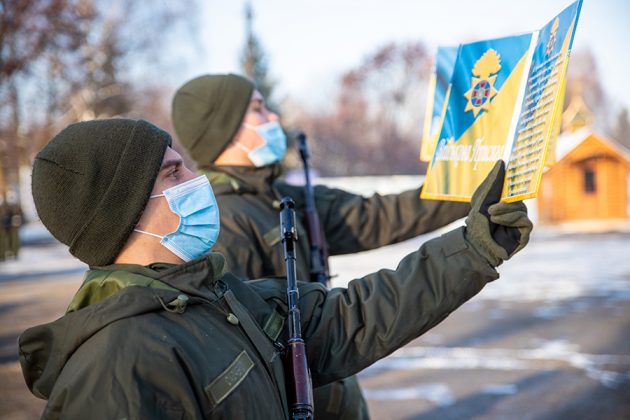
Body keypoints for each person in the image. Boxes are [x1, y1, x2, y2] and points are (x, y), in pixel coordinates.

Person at [19, 118, 531, 419]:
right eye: (175, 171)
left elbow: (351, 317)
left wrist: (473, 248)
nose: (197, 178)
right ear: (124, 208)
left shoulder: (220, 296)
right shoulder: (118, 364)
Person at [171, 74, 474, 419]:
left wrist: (470, 186)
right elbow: (244, 356)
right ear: (222, 128)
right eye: (258, 109)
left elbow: (374, 216)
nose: (273, 118)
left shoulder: (279, 196)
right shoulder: (225, 222)